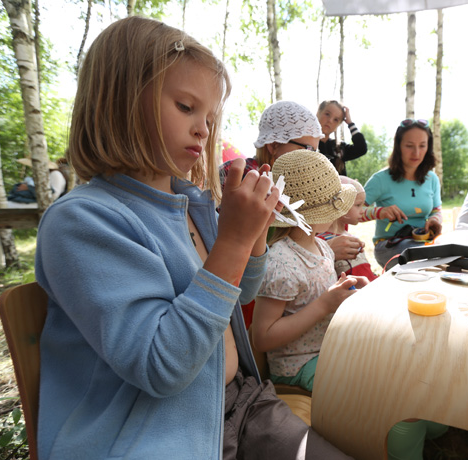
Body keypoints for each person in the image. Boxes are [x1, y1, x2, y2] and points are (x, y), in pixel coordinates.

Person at [34, 16, 350, 460]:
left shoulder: (190, 204)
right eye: (186, 107)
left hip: (240, 405)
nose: (203, 129)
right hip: (156, 436)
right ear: (119, 101)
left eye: (209, 116)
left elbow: (239, 298)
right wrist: (234, 243)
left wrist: (255, 234)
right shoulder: (83, 221)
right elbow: (162, 365)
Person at [219, 100, 361, 326]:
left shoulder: (286, 180)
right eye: (308, 149)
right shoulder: (244, 181)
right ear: (273, 145)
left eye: (316, 150)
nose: (314, 157)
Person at [251, 149, 368, 393]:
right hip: (297, 367)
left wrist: (344, 288)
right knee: (365, 386)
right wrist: (324, 304)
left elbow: (317, 294)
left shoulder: (322, 246)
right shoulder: (281, 262)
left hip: (326, 349)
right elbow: (262, 337)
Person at [364, 119, 443, 270]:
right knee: (426, 264)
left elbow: (436, 210)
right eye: (409, 146)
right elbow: (351, 213)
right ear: (398, 146)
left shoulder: (432, 179)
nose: (417, 153)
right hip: (389, 245)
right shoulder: (380, 179)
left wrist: (434, 220)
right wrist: (379, 212)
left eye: (422, 146)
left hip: (423, 242)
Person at [219, 100, 322, 187]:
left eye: (314, 152)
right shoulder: (236, 174)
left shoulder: (298, 184)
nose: (311, 158)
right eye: (306, 150)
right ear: (273, 145)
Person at [317, 176, 377, 281]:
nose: (362, 211)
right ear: (339, 205)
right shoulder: (322, 243)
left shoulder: (345, 237)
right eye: (358, 205)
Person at [316, 100, 368, 176]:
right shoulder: (304, 143)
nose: (330, 120)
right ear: (318, 113)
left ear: (338, 125)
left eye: (336, 120)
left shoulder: (340, 148)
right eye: (327, 114)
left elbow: (361, 148)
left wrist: (350, 123)